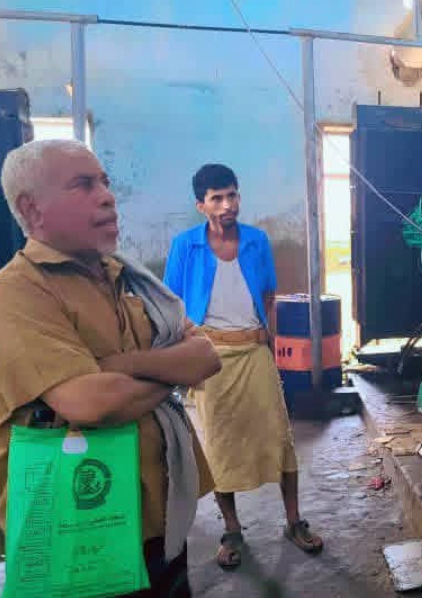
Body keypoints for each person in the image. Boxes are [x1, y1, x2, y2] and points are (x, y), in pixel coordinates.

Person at [0, 139, 220, 597]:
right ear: (32, 209)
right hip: (75, 524)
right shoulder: (11, 294)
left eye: (105, 182)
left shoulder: (129, 279)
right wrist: (171, 371)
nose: (107, 196)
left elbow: (206, 356)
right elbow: (91, 403)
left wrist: (125, 365)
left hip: (156, 515)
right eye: (83, 185)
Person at [163, 163, 324, 571]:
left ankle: (294, 521)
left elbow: (268, 294)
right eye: (217, 198)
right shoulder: (185, 246)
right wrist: (188, 353)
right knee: (219, 446)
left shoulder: (256, 241)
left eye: (232, 195)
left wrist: (265, 339)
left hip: (254, 352)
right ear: (201, 205)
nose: (227, 205)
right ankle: (232, 530)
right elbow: (172, 305)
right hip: (209, 357)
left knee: (280, 437)